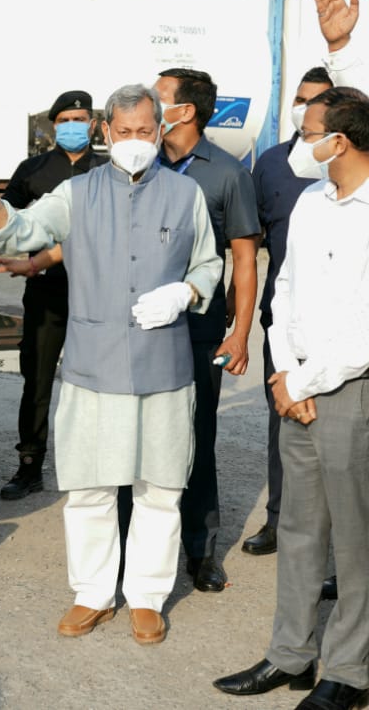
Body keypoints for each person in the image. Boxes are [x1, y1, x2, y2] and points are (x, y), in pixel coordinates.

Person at [0, 84, 222, 645]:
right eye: (123, 133)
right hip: (93, 365)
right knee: (91, 490)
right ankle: (93, 593)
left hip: (163, 366)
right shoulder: (79, 192)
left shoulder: (185, 194)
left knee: (159, 488)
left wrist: (187, 293)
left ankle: (147, 596)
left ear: (161, 126)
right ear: (105, 132)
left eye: (146, 131)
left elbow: (209, 263)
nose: (135, 142)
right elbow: (25, 232)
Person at [212, 88, 369, 710]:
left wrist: (304, 382)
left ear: (342, 139)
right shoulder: (309, 201)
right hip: (296, 385)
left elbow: (363, 324)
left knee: (355, 538)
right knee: (300, 528)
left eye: (309, 133)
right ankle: (291, 656)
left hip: (350, 388)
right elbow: (287, 291)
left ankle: (351, 672)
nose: (298, 145)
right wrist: (284, 373)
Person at [153, 66, 260, 594]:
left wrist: (239, 333)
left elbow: (243, 258)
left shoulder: (227, 174)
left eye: (160, 97)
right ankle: (138, 547)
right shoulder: (140, 162)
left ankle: (201, 552)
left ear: (186, 110)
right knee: (137, 438)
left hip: (197, 330)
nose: (151, 104)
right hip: (140, 329)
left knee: (197, 439)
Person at [240, 66, 333, 558]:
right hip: (283, 322)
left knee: (339, 432)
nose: (304, 106)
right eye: (299, 97)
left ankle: (338, 541)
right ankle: (279, 520)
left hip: (341, 329)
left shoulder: (346, 168)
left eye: (316, 100)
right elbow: (249, 246)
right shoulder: (272, 164)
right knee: (284, 421)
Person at [0, 90, 105, 501]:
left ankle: (96, 467)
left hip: (98, 293)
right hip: (46, 292)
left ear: (93, 124)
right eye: (65, 120)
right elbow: (9, 219)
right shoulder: (33, 169)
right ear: (53, 125)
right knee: (37, 381)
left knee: (97, 383)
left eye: (80, 118)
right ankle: (29, 466)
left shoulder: (108, 169)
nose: (73, 125)